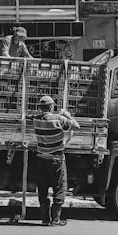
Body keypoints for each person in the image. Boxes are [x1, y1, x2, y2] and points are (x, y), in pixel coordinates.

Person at [33, 95, 80, 226]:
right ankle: (56, 219)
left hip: (41, 159)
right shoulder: (59, 119)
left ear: (40, 108)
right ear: (51, 106)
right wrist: (67, 115)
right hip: (56, 160)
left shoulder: (36, 120)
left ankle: (44, 219)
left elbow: (43, 117)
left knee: (42, 189)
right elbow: (77, 126)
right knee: (59, 188)